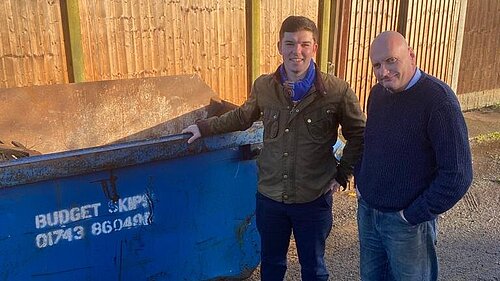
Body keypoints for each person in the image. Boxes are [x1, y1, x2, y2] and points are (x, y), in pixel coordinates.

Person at [182, 16, 365, 281]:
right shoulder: (264, 86)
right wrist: (204, 127)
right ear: (279, 46)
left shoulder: (338, 91)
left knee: (314, 268)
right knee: (271, 265)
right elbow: (242, 117)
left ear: (314, 48)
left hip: (313, 199)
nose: (296, 51)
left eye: (304, 44)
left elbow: (358, 134)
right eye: (290, 43)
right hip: (270, 198)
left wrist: (342, 174)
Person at [354, 31, 473, 281]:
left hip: (407, 224)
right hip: (369, 213)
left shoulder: (439, 102)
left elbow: (458, 175)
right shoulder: (378, 94)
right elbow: (370, 142)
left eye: (391, 61)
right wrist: (362, 184)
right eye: (377, 65)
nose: (383, 72)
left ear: (411, 56)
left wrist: (413, 214)